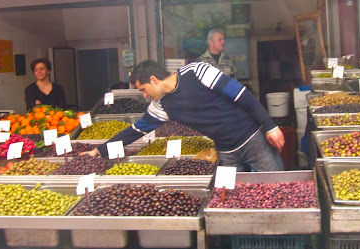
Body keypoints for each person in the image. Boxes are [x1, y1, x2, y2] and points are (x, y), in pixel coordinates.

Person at [85, 60, 284, 171]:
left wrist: (270, 126)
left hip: (253, 140)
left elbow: (241, 95)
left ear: (153, 80)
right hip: (225, 151)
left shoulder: (197, 72)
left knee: (274, 188)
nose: (144, 95)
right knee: (232, 197)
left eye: (143, 89)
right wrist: (98, 152)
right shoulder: (160, 105)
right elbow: (135, 131)